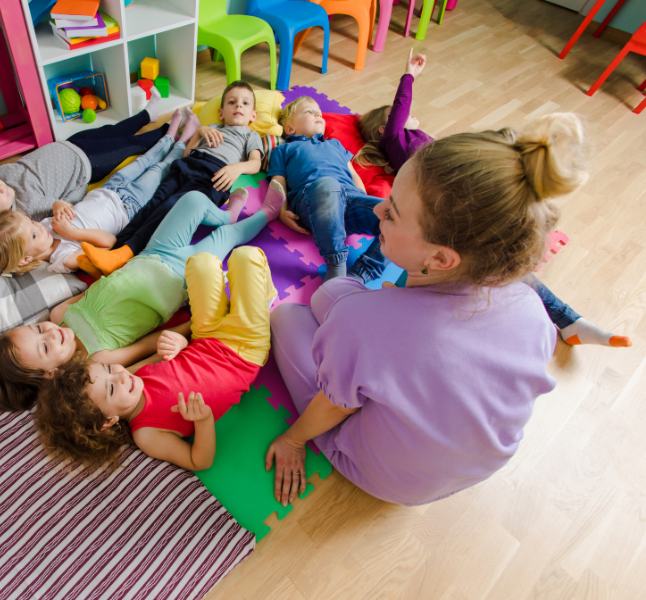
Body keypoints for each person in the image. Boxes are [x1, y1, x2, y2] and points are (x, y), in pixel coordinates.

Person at [265, 113, 592, 508]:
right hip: (467, 471)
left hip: (389, 477)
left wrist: (292, 440)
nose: (380, 209)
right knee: (336, 301)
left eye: (394, 211)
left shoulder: (364, 323)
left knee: (288, 314)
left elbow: (336, 403)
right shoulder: (533, 310)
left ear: (440, 258)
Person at [354, 50, 630, 347]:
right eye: (398, 117)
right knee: (412, 239)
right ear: (385, 127)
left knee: (480, 256)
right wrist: (408, 75)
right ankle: (568, 319)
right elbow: (400, 107)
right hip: (446, 198)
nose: (408, 116)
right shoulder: (393, 137)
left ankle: (569, 319)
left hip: (458, 196)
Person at [0, 188, 285, 412]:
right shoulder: (96, 362)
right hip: (177, 282)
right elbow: (149, 346)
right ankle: (266, 213)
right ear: (50, 373)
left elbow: (102, 285)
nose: (50, 333)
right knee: (226, 240)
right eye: (45, 346)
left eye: (37, 330)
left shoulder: (57, 315)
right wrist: (191, 327)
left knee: (192, 199)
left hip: (152, 255)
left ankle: (224, 214)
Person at [35, 246, 276, 472]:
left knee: (200, 263)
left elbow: (167, 354)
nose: (120, 374)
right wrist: (203, 421)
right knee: (247, 256)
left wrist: (178, 343)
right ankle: (264, 299)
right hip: (244, 351)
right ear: (107, 421)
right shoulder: (147, 435)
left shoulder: (132, 376)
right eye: (110, 387)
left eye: (109, 368)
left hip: (205, 337)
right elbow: (198, 461)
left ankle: (242, 304)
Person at [0, 91, 193, 230]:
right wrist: (82, 182)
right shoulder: (28, 209)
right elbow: (68, 202)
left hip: (70, 144)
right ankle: (166, 133)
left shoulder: (3, 176)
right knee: (130, 144)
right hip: (88, 164)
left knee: (111, 130)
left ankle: (146, 115)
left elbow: (24, 164)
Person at [80, 80, 265, 276]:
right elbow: (187, 153)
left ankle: (125, 253)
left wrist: (236, 169)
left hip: (212, 177)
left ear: (253, 115)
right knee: (153, 205)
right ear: (221, 112)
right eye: (232, 102)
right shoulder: (211, 127)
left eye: (245, 103)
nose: (238, 106)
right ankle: (113, 251)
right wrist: (200, 132)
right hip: (186, 166)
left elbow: (255, 163)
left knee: (170, 208)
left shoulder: (250, 135)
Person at [0, 123, 197, 276]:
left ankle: (170, 134)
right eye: (33, 233)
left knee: (144, 160)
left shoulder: (43, 228)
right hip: (128, 207)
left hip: (108, 190)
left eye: (32, 223)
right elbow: (108, 242)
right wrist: (72, 234)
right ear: (24, 259)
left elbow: (64, 205)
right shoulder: (64, 260)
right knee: (160, 170)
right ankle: (182, 142)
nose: (38, 227)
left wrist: (59, 204)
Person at [268, 96, 387, 282]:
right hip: (314, 201)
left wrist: (363, 200)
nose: (318, 114)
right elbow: (278, 182)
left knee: (396, 214)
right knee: (327, 184)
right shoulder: (284, 150)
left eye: (319, 113)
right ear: (290, 128)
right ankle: (336, 263)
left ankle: (361, 273)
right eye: (309, 112)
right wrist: (281, 211)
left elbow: (353, 174)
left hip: (350, 199)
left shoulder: (335, 144)